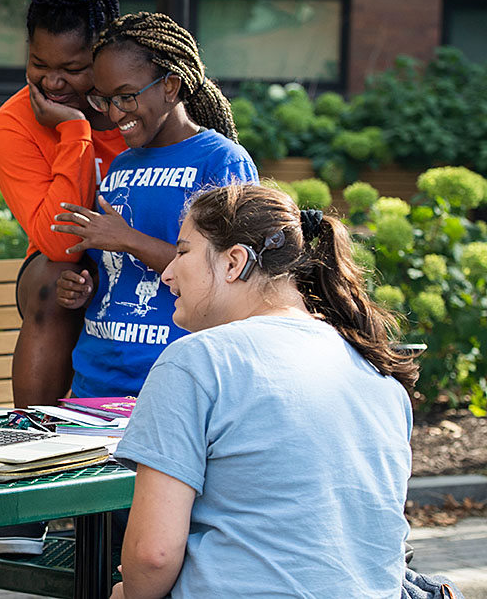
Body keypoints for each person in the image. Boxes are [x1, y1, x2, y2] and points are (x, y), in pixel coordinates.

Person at [109, 183, 417, 598]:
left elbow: (152, 556)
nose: (167, 271)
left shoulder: (196, 361)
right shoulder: (375, 370)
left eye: (182, 252)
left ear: (235, 261)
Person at [0, 0, 133, 556]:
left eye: (71, 69)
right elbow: (54, 235)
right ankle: (31, 481)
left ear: (101, 56)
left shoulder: (136, 105)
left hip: (149, 257)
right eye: (38, 63)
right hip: (64, 266)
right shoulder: (17, 122)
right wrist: (73, 132)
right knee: (52, 277)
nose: (51, 79)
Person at [52, 11, 258, 399]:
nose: (115, 114)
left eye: (126, 96)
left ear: (171, 86)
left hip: (169, 383)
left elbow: (234, 278)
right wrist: (86, 287)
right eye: (105, 100)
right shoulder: (121, 165)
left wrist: (128, 239)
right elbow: (116, 271)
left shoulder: (220, 161)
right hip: (94, 382)